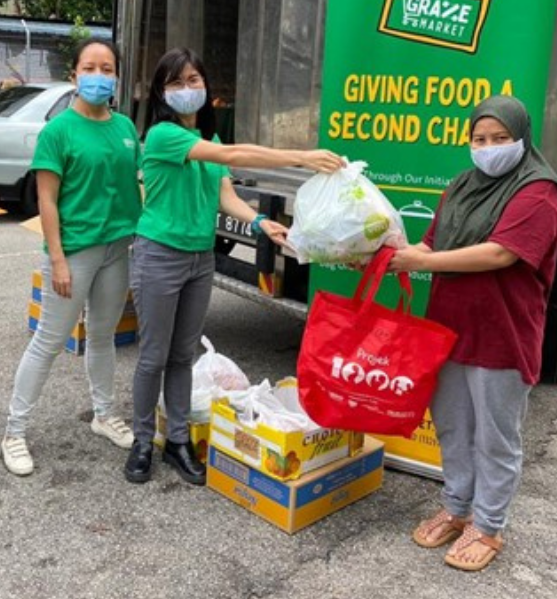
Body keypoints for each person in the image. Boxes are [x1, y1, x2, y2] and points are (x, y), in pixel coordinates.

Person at [124, 48, 343, 485]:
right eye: (176, 82)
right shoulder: (165, 136)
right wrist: (300, 157)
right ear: (161, 92)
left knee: (183, 355)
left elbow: (225, 195)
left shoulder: (211, 141)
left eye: (193, 80)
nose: (187, 89)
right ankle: (143, 441)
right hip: (159, 256)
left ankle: (179, 442)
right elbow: (237, 154)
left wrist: (262, 222)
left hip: (199, 259)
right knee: (153, 356)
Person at [399, 96, 557, 573]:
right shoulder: (461, 186)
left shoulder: (538, 191)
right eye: (479, 139)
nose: (488, 148)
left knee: (496, 436)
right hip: (449, 329)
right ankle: (456, 507)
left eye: (500, 138)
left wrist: (422, 262)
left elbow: (499, 254)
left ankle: (488, 526)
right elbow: (429, 243)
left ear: (521, 138)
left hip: (502, 333)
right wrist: (387, 257)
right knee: (452, 425)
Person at [2, 40, 140, 477]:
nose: (99, 75)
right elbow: (47, 200)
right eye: (90, 67)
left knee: (102, 336)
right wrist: (57, 259)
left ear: (116, 76)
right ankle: (14, 431)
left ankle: (103, 414)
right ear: (75, 74)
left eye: (107, 68)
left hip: (118, 247)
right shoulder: (58, 130)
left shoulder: (125, 127)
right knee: (49, 339)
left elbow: (134, 181)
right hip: (74, 251)